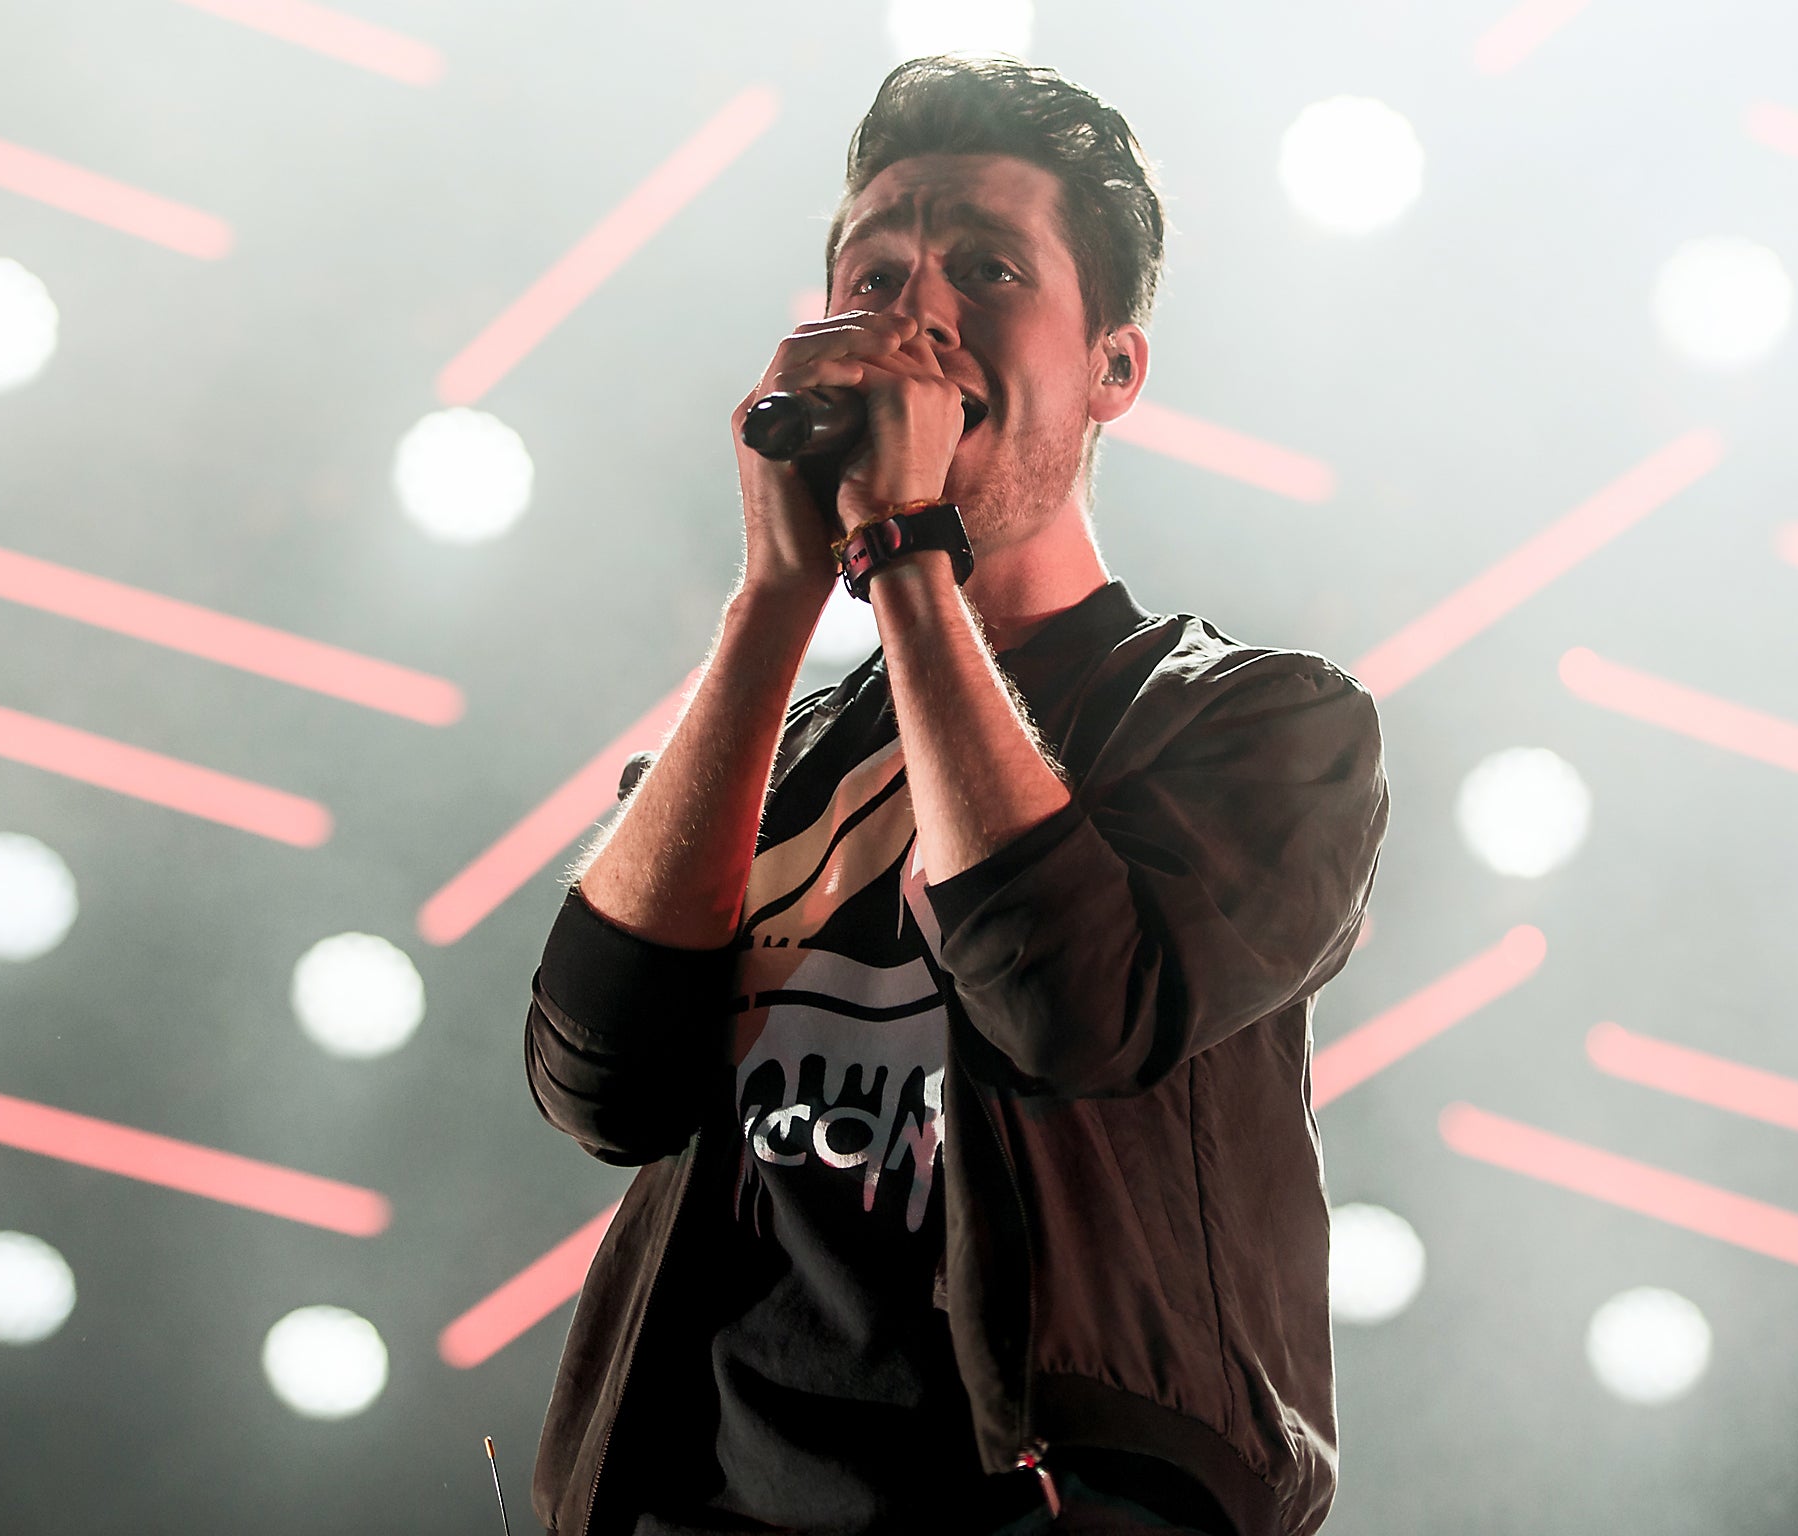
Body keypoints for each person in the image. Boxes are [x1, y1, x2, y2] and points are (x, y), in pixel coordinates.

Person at [522, 55, 1389, 1536]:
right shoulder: (776, 752)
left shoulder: (1261, 724)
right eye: (873, 272)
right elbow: (597, 1080)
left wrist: (910, 559)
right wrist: (776, 600)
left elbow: (1072, 1007)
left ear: (1114, 366)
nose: (914, 315)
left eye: (987, 267)